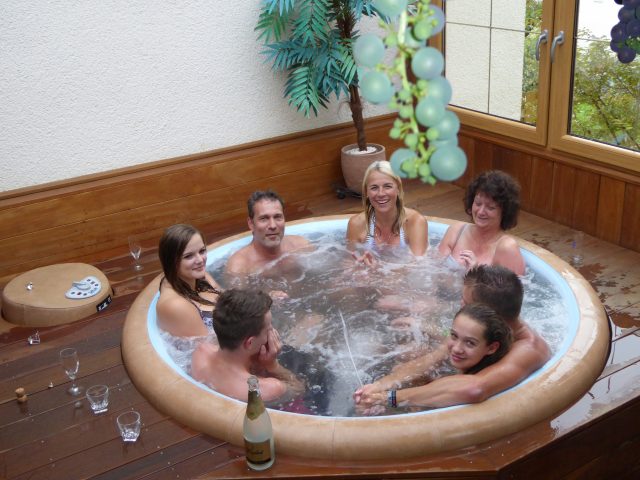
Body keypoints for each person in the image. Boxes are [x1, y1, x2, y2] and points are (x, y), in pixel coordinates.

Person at [354, 265, 550, 409]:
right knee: (410, 356)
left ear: (487, 313)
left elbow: (474, 389)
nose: (460, 305)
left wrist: (390, 398)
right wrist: (382, 384)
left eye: (466, 303)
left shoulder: (529, 348)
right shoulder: (489, 328)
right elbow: (434, 357)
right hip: (468, 370)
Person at [356, 302, 513, 413]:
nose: (456, 348)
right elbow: (427, 358)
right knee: (408, 360)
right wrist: (379, 385)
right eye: (454, 336)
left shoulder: (485, 375)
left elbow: (453, 391)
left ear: (492, 348)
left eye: (470, 343)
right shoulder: (455, 348)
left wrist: (386, 399)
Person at [191, 288, 304, 402]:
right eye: (269, 328)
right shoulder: (267, 389)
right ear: (250, 343)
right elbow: (299, 390)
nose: (273, 331)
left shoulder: (201, 352)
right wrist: (272, 365)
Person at [438, 170, 525, 276]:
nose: (480, 212)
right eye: (478, 203)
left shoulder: (506, 248)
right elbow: (433, 270)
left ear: (504, 212)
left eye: (490, 207)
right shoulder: (456, 232)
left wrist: (476, 275)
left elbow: (512, 287)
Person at [347, 161, 428, 264]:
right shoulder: (356, 224)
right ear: (366, 192)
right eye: (374, 188)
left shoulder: (415, 222)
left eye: (387, 186)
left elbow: (419, 267)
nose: (381, 193)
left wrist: (379, 270)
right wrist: (360, 268)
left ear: (398, 189)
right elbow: (348, 264)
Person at [225, 190, 312, 283]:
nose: (273, 226)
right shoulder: (239, 267)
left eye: (277, 217)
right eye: (264, 218)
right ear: (251, 224)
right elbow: (236, 293)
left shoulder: (301, 245)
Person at [156, 224, 222, 337]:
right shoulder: (176, 305)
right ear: (171, 261)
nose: (200, 260)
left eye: (202, 251)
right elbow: (206, 344)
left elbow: (223, 293)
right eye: (188, 256)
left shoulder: (197, 276)